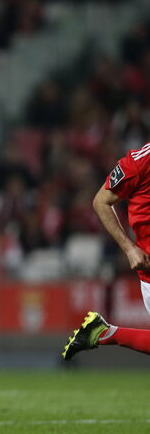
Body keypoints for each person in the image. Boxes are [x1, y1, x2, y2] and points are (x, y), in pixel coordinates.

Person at [63, 143, 150, 360]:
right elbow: (101, 202)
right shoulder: (139, 162)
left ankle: (104, 333)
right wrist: (129, 248)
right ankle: (104, 333)